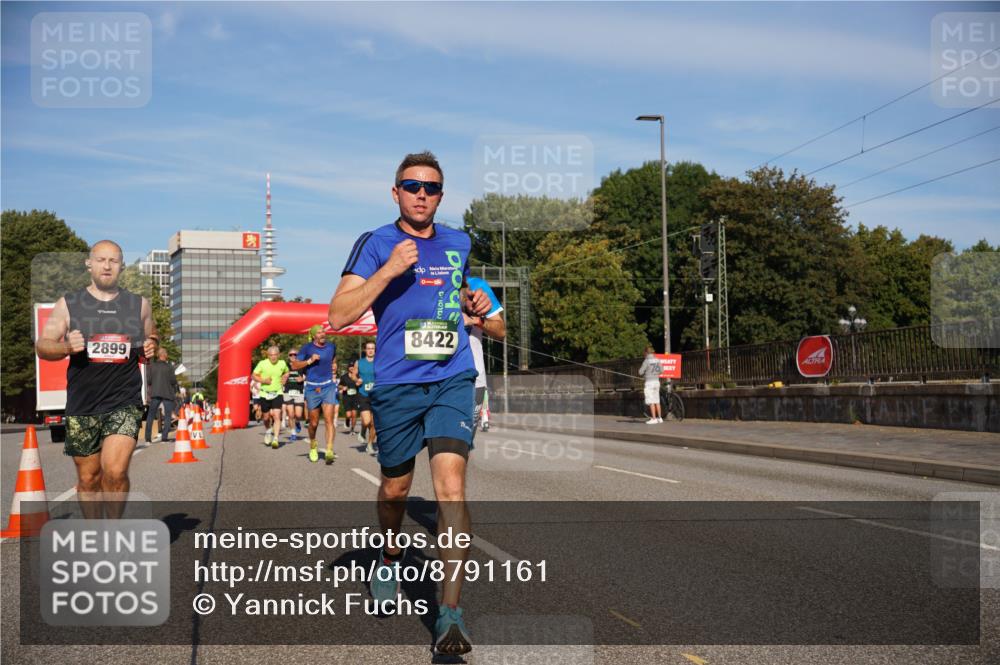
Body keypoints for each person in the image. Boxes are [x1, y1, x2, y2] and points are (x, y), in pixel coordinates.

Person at [328, 151, 492, 656]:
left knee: (450, 488)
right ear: (395, 191)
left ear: (441, 195)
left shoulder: (459, 242)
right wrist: (389, 271)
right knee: (396, 488)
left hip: (452, 377)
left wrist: (476, 303)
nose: (422, 194)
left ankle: (450, 616)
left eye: (432, 188)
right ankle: (388, 554)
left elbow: (463, 292)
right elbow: (338, 314)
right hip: (398, 385)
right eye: (412, 185)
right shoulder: (375, 243)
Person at [35, 240, 157, 518]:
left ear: (122, 267)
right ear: (89, 264)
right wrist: (66, 347)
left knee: (115, 472)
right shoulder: (69, 304)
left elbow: (152, 336)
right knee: (89, 477)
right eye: (101, 259)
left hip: (123, 400)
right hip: (83, 403)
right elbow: (43, 346)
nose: (107, 265)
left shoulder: (139, 305)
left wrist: (150, 345)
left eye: (113, 261)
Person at [464, 275, 505, 435]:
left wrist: (477, 321)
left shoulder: (475, 285)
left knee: (461, 444)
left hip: (472, 379)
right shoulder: (417, 281)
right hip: (422, 376)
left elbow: (501, 330)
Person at [292, 325, 338, 464]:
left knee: (329, 419)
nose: (322, 334)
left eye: (323, 331)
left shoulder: (331, 346)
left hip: (328, 385)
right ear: (313, 336)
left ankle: (329, 449)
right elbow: (294, 365)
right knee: (313, 422)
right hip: (312, 388)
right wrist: (309, 361)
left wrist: (334, 366)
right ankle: (313, 444)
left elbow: (333, 359)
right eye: (319, 332)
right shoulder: (307, 348)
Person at [252, 346, 288, 448]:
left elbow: (287, 371)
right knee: (266, 417)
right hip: (264, 393)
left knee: (277, 415)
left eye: (275, 355)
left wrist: (285, 377)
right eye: (271, 355)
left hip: (277, 392)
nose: (273, 357)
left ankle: (276, 439)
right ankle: (268, 431)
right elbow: (253, 375)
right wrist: (263, 381)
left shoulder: (282, 363)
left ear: (278, 355)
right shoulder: (262, 364)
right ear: (268, 355)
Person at [144, 347, 178, 443]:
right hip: (167, 393)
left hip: (155, 393)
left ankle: (147, 439)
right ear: (165, 355)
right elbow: (173, 381)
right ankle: (164, 438)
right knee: (167, 416)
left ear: (158, 355)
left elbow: (149, 380)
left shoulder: (152, 366)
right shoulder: (170, 367)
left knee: (150, 415)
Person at [356, 341, 377, 455]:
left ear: (375, 350)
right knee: (367, 420)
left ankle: (369, 444)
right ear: (365, 350)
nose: (370, 350)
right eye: (368, 348)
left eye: (372, 348)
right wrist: (356, 380)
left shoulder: (380, 362)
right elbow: (354, 375)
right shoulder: (359, 363)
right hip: (363, 394)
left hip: (376, 395)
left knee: (374, 424)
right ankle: (363, 431)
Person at [284, 349, 306, 441]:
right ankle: (293, 433)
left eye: (295, 354)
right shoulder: (285, 365)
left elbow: (308, 375)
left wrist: (303, 379)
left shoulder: (302, 365)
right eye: (291, 355)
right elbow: (280, 375)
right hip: (288, 392)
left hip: (299, 392)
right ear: (288, 356)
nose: (293, 356)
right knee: (290, 414)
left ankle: (297, 422)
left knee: (298, 414)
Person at [638, 346, 664, 424]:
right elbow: (662, 370)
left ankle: (653, 418)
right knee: (657, 401)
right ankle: (660, 418)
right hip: (657, 382)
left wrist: (646, 374)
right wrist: (655, 374)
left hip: (649, 383)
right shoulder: (657, 359)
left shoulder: (647, 361)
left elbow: (640, 372)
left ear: (646, 352)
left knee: (651, 400)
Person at [339, 361, 360, 434]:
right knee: (348, 415)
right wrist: (343, 387)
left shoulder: (358, 376)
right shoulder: (344, 377)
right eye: (350, 367)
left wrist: (359, 384)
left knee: (354, 415)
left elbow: (361, 383)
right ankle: (347, 420)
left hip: (356, 397)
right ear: (348, 368)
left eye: (353, 367)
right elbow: (339, 386)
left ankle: (352, 429)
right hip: (346, 397)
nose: (352, 368)